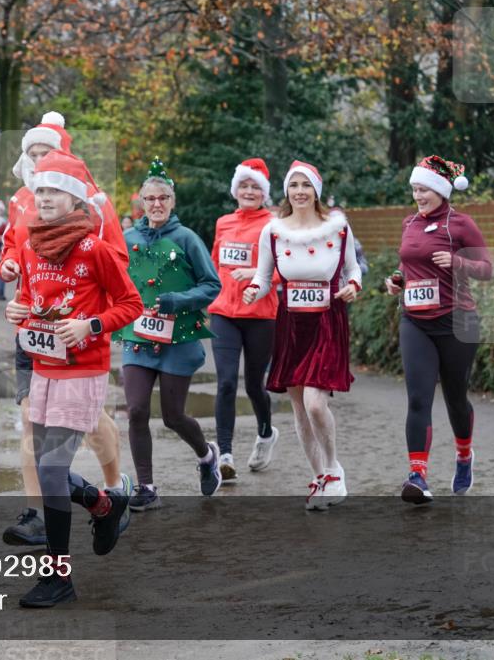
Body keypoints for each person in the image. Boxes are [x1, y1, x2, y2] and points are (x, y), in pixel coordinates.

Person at [5, 149, 142, 607]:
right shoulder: (27, 245)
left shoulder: (94, 248)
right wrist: (16, 311)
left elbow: (131, 304)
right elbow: (27, 298)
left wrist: (92, 325)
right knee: (51, 473)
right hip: (44, 368)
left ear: (75, 200)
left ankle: (58, 576)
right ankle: (106, 504)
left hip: (82, 370)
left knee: (50, 469)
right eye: (40, 189)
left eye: (54, 191)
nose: (43, 197)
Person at [243, 160, 362, 510]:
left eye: (305, 185)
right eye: (293, 185)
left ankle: (334, 467)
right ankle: (319, 477)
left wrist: (353, 285)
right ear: (286, 191)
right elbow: (264, 276)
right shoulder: (274, 230)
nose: (299, 191)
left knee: (314, 403)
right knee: (298, 406)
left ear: (316, 191)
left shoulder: (337, 228)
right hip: (291, 324)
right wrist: (253, 289)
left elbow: (353, 269)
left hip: (327, 321)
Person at [385, 156, 492, 503]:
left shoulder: (460, 224)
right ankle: (417, 475)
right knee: (418, 399)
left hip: (457, 322)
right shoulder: (409, 222)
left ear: (441, 191)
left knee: (456, 399)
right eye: (415, 189)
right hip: (415, 321)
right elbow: (408, 263)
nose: (418, 195)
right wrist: (398, 280)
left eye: (424, 190)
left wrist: (458, 261)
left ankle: (464, 456)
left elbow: (486, 269)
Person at [117, 158, 222, 507]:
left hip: (177, 337)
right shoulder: (127, 238)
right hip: (137, 336)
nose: (157, 204)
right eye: (150, 199)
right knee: (135, 411)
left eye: (163, 198)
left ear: (172, 201)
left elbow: (212, 285)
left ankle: (207, 455)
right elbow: (113, 283)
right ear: (141, 203)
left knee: (173, 416)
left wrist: (178, 300)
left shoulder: (187, 239)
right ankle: (146, 487)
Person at [208, 158, 280, 482]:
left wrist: (256, 273)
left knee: (253, 385)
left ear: (263, 193)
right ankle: (225, 453)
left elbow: (285, 268)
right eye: (244, 186)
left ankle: (266, 432)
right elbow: (213, 265)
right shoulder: (223, 222)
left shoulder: (275, 224)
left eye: (255, 187)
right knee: (225, 382)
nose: (249, 191)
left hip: (261, 313)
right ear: (236, 190)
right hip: (224, 312)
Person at [0, 199, 9, 301]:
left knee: (2, 272)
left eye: (1, 210)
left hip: (2, 250)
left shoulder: (6, 221)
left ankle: (0, 293)